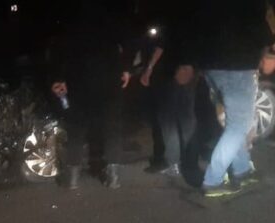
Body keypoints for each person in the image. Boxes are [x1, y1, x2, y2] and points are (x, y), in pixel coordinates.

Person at [179, 0, 275, 197]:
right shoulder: (251, 4)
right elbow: (263, 34)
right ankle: (213, 181)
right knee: (239, 126)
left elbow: (194, 29)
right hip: (239, 67)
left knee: (234, 124)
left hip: (211, 68)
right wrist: (264, 55)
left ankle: (242, 170)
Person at [49, 0, 134, 190]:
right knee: (112, 127)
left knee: (77, 127)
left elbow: (60, 47)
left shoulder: (71, 12)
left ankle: (73, 177)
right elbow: (128, 39)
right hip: (108, 76)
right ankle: (113, 175)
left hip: (79, 77)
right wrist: (126, 68)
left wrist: (58, 77)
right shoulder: (112, 10)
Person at [140, 19, 198, 180]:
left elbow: (161, 46)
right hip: (191, 70)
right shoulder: (195, 20)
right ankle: (189, 159)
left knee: (168, 120)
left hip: (172, 71)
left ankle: (174, 162)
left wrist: (149, 69)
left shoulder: (172, 21)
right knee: (187, 117)